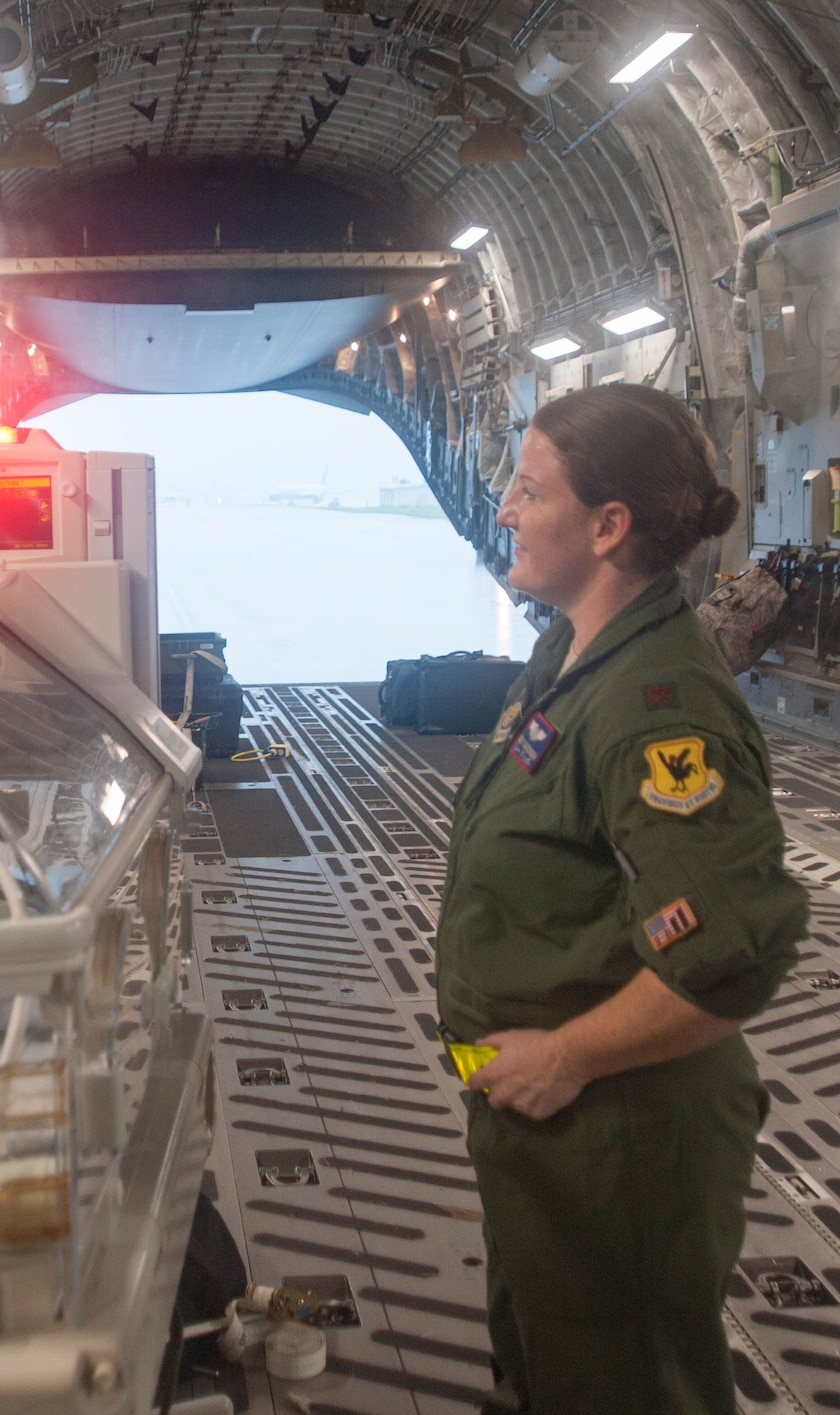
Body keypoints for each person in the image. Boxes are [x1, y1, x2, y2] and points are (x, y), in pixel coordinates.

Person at [436, 382, 807, 1413]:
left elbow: (728, 950)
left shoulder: (657, 702)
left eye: (526, 488)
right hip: (548, 1133)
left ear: (606, 526)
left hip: (620, 1134)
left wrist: (565, 1054)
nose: (502, 509)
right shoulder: (569, 656)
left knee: (622, 1384)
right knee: (546, 1372)